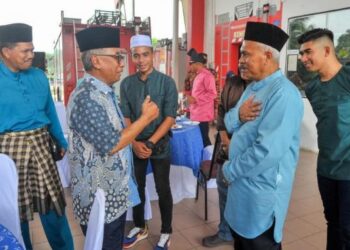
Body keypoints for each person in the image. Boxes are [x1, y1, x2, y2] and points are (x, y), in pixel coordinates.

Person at [66, 27, 159, 250]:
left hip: (112, 193)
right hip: (99, 198)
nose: (122, 63)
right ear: (96, 61)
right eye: (117, 57)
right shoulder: (87, 97)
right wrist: (145, 119)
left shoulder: (103, 90)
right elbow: (112, 144)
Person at [222, 22, 304, 250]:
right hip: (241, 189)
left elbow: (266, 152)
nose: (240, 61)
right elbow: (228, 121)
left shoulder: (284, 95)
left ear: (268, 55)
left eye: (246, 54)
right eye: (240, 55)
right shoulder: (252, 87)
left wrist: (230, 170)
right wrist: (238, 114)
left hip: (260, 196)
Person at [0, 23, 74, 250]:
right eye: (25, 51)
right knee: (15, 213)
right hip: (8, 153)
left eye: (32, 50)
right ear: (6, 51)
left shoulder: (39, 77)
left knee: (54, 208)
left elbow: (50, 111)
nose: (31, 55)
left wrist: (60, 141)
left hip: (42, 147)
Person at [120, 34, 178, 250]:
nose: (141, 60)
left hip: (159, 145)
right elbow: (126, 116)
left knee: (163, 189)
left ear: (152, 55)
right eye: (136, 55)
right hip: (135, 144)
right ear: (132, 57)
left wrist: (151, 143)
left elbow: (170, 117)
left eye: (145, 54)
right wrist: (134, 142)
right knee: (137, 187)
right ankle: (139, 226)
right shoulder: (126, 84)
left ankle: (166, 231)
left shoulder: (167, 82)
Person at [298, 28, 350, 250]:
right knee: (333, 223)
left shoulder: (347, 78)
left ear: (327, 50)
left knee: (348, 228)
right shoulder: (312, 88)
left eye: (308, 52)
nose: (303, 58)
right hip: (326, 169)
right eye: (301, 53)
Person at [202, 70, 247, 248]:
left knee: (246, 194)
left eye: (249, 55)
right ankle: (225, 232)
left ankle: (244, 234)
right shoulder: (232, 84)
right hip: (226, 149)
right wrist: (225, 139)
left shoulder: (263, 87)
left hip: (248, 151)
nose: (244, 60)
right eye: (242, 55)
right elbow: (221, 111)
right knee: (224, 191)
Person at [186, 48, 217, 147]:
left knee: (204, 140)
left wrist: (196, 99)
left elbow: (213, 94)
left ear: (197, 64)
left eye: (191, 63)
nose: (190, 66)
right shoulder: (198, 75)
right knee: (199, 140)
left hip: (202, 116)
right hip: (196, 114)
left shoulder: (207, 76)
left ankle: (210, 159)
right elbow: (198, 93)